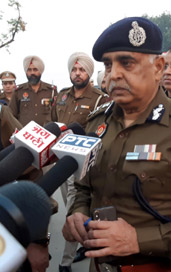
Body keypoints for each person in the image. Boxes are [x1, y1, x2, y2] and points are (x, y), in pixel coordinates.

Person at [62, 17, 171, 272]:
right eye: (108, 64)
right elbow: (84, 186)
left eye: (127, 63)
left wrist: (139, 240)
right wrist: (77, 213)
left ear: (158, 67)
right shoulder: (97, 123)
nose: (114, 74)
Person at [51, 52, 108, 272]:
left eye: (82, 70)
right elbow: (53, 121)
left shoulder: (98, 98)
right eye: (74, 70)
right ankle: (84, 242)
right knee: (70, 207)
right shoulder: (62, 96)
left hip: (81, 166)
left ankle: (64, 263)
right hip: (60, 162)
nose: (77, 73)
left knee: (72, 213)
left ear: (89, 73)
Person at [9, 55, 57, 126]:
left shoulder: (51, 91)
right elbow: (11, 116)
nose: (32, 73)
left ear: (40, 71)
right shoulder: (18, 91)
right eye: (29, 70)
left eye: (35, 69)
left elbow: (56, 115)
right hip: (24, 134)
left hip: (46, 134)